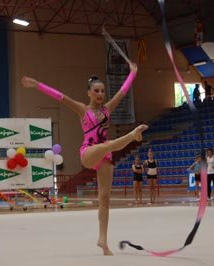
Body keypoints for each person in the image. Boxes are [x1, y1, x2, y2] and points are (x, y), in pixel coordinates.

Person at [21, 62, 148, 256]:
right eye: (96, 91)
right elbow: (60, 97)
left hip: (106, 155)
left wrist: (133, 73)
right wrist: (38, 84)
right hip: (89, 152)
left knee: (104, 198)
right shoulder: (82, 109)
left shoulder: (107, 109)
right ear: (89, 92)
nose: (100, 94)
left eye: (102, 91)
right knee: (107, 144)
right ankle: (132, 136)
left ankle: (103, 240)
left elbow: (123, 91)